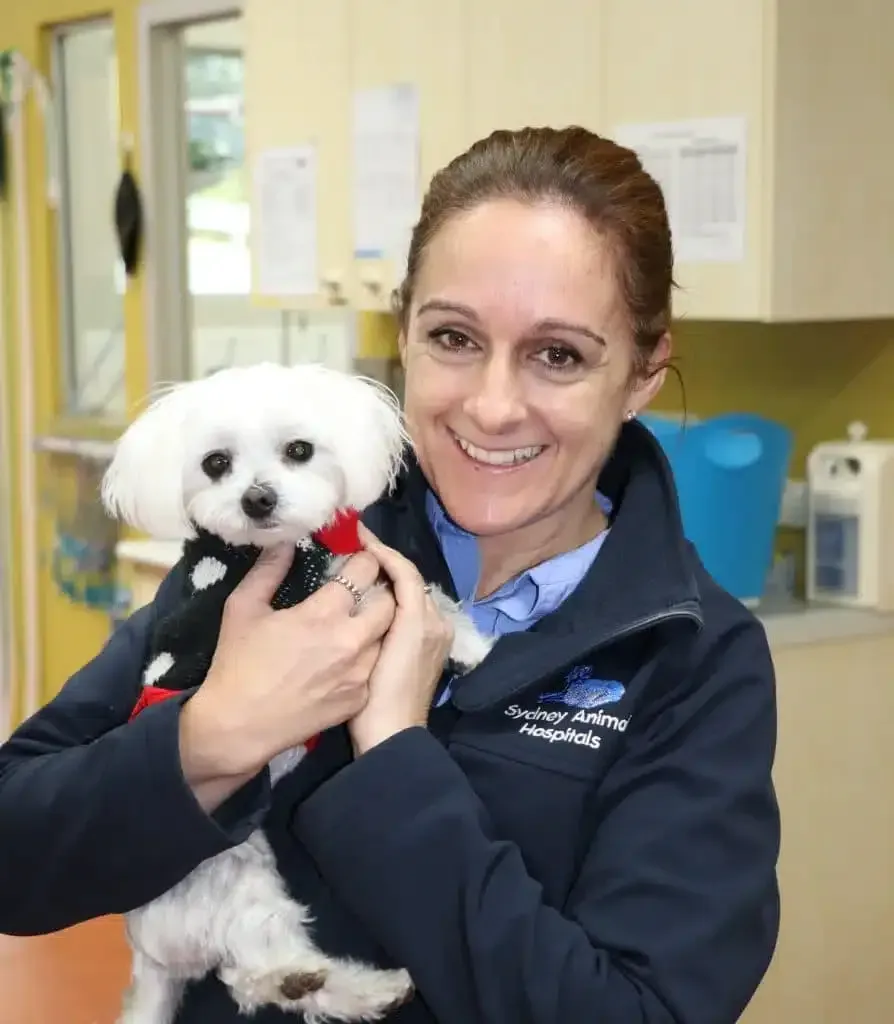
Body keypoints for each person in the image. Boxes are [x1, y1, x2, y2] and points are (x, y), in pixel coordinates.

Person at [0, 126, 780, 1023]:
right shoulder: (271, 553)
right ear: (403, 333)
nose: (491, 405)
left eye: (558, 355)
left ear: (642, 375)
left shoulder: (692, 657)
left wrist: (397, 760)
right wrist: (211, 738)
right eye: (453, 337)